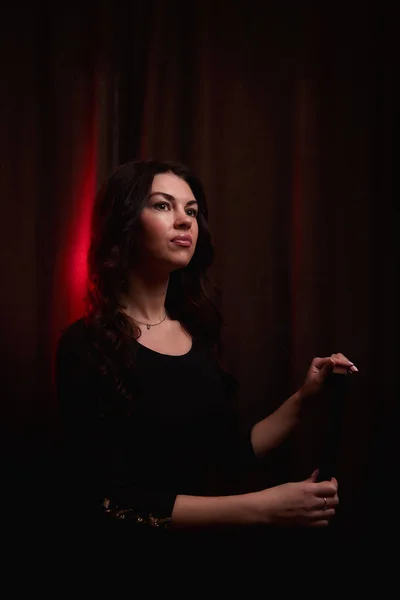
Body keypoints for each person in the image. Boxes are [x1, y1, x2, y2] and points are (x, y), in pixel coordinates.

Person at [54, 159, 358, 554]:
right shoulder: (85, 346)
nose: (185, 221)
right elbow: (110, 500)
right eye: (163, 205)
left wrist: (304, 397)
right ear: (125, 223)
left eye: (192, 211)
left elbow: (231, 450)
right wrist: (264, 508)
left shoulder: (196, 333)